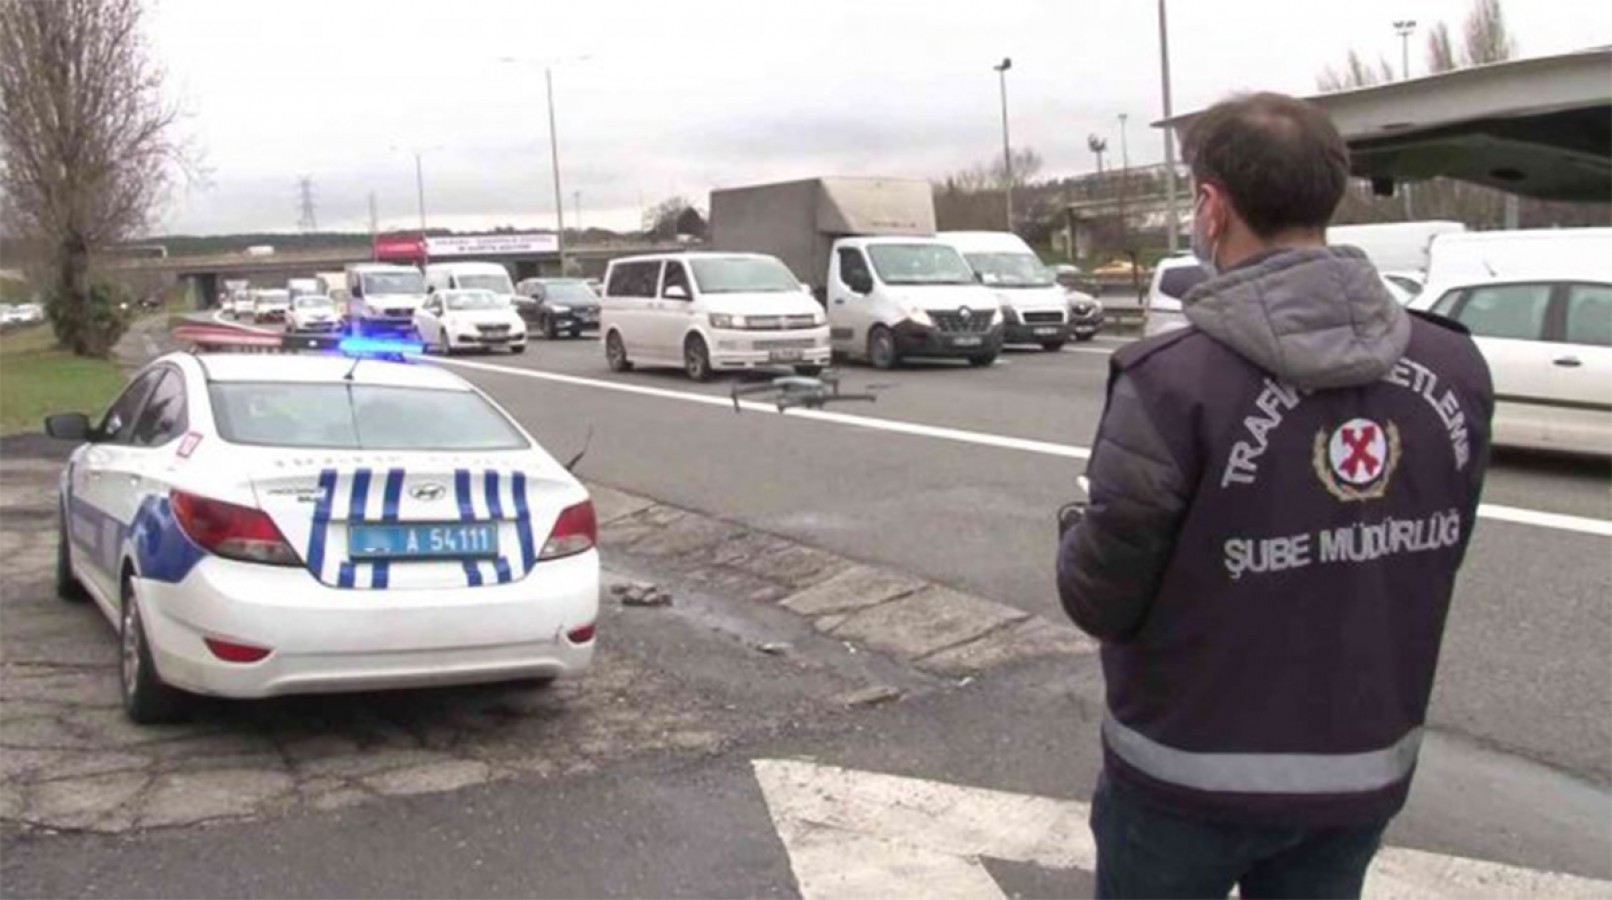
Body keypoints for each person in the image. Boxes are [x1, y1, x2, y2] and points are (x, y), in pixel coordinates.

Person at [1056, 92, 1493, 900]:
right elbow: (1439, 550)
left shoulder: (1170, 383)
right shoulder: (1458, 370)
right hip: (1363, 771)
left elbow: (1102, 596)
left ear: (1212, 208)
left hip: (1183, 779)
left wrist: (1075, 531)